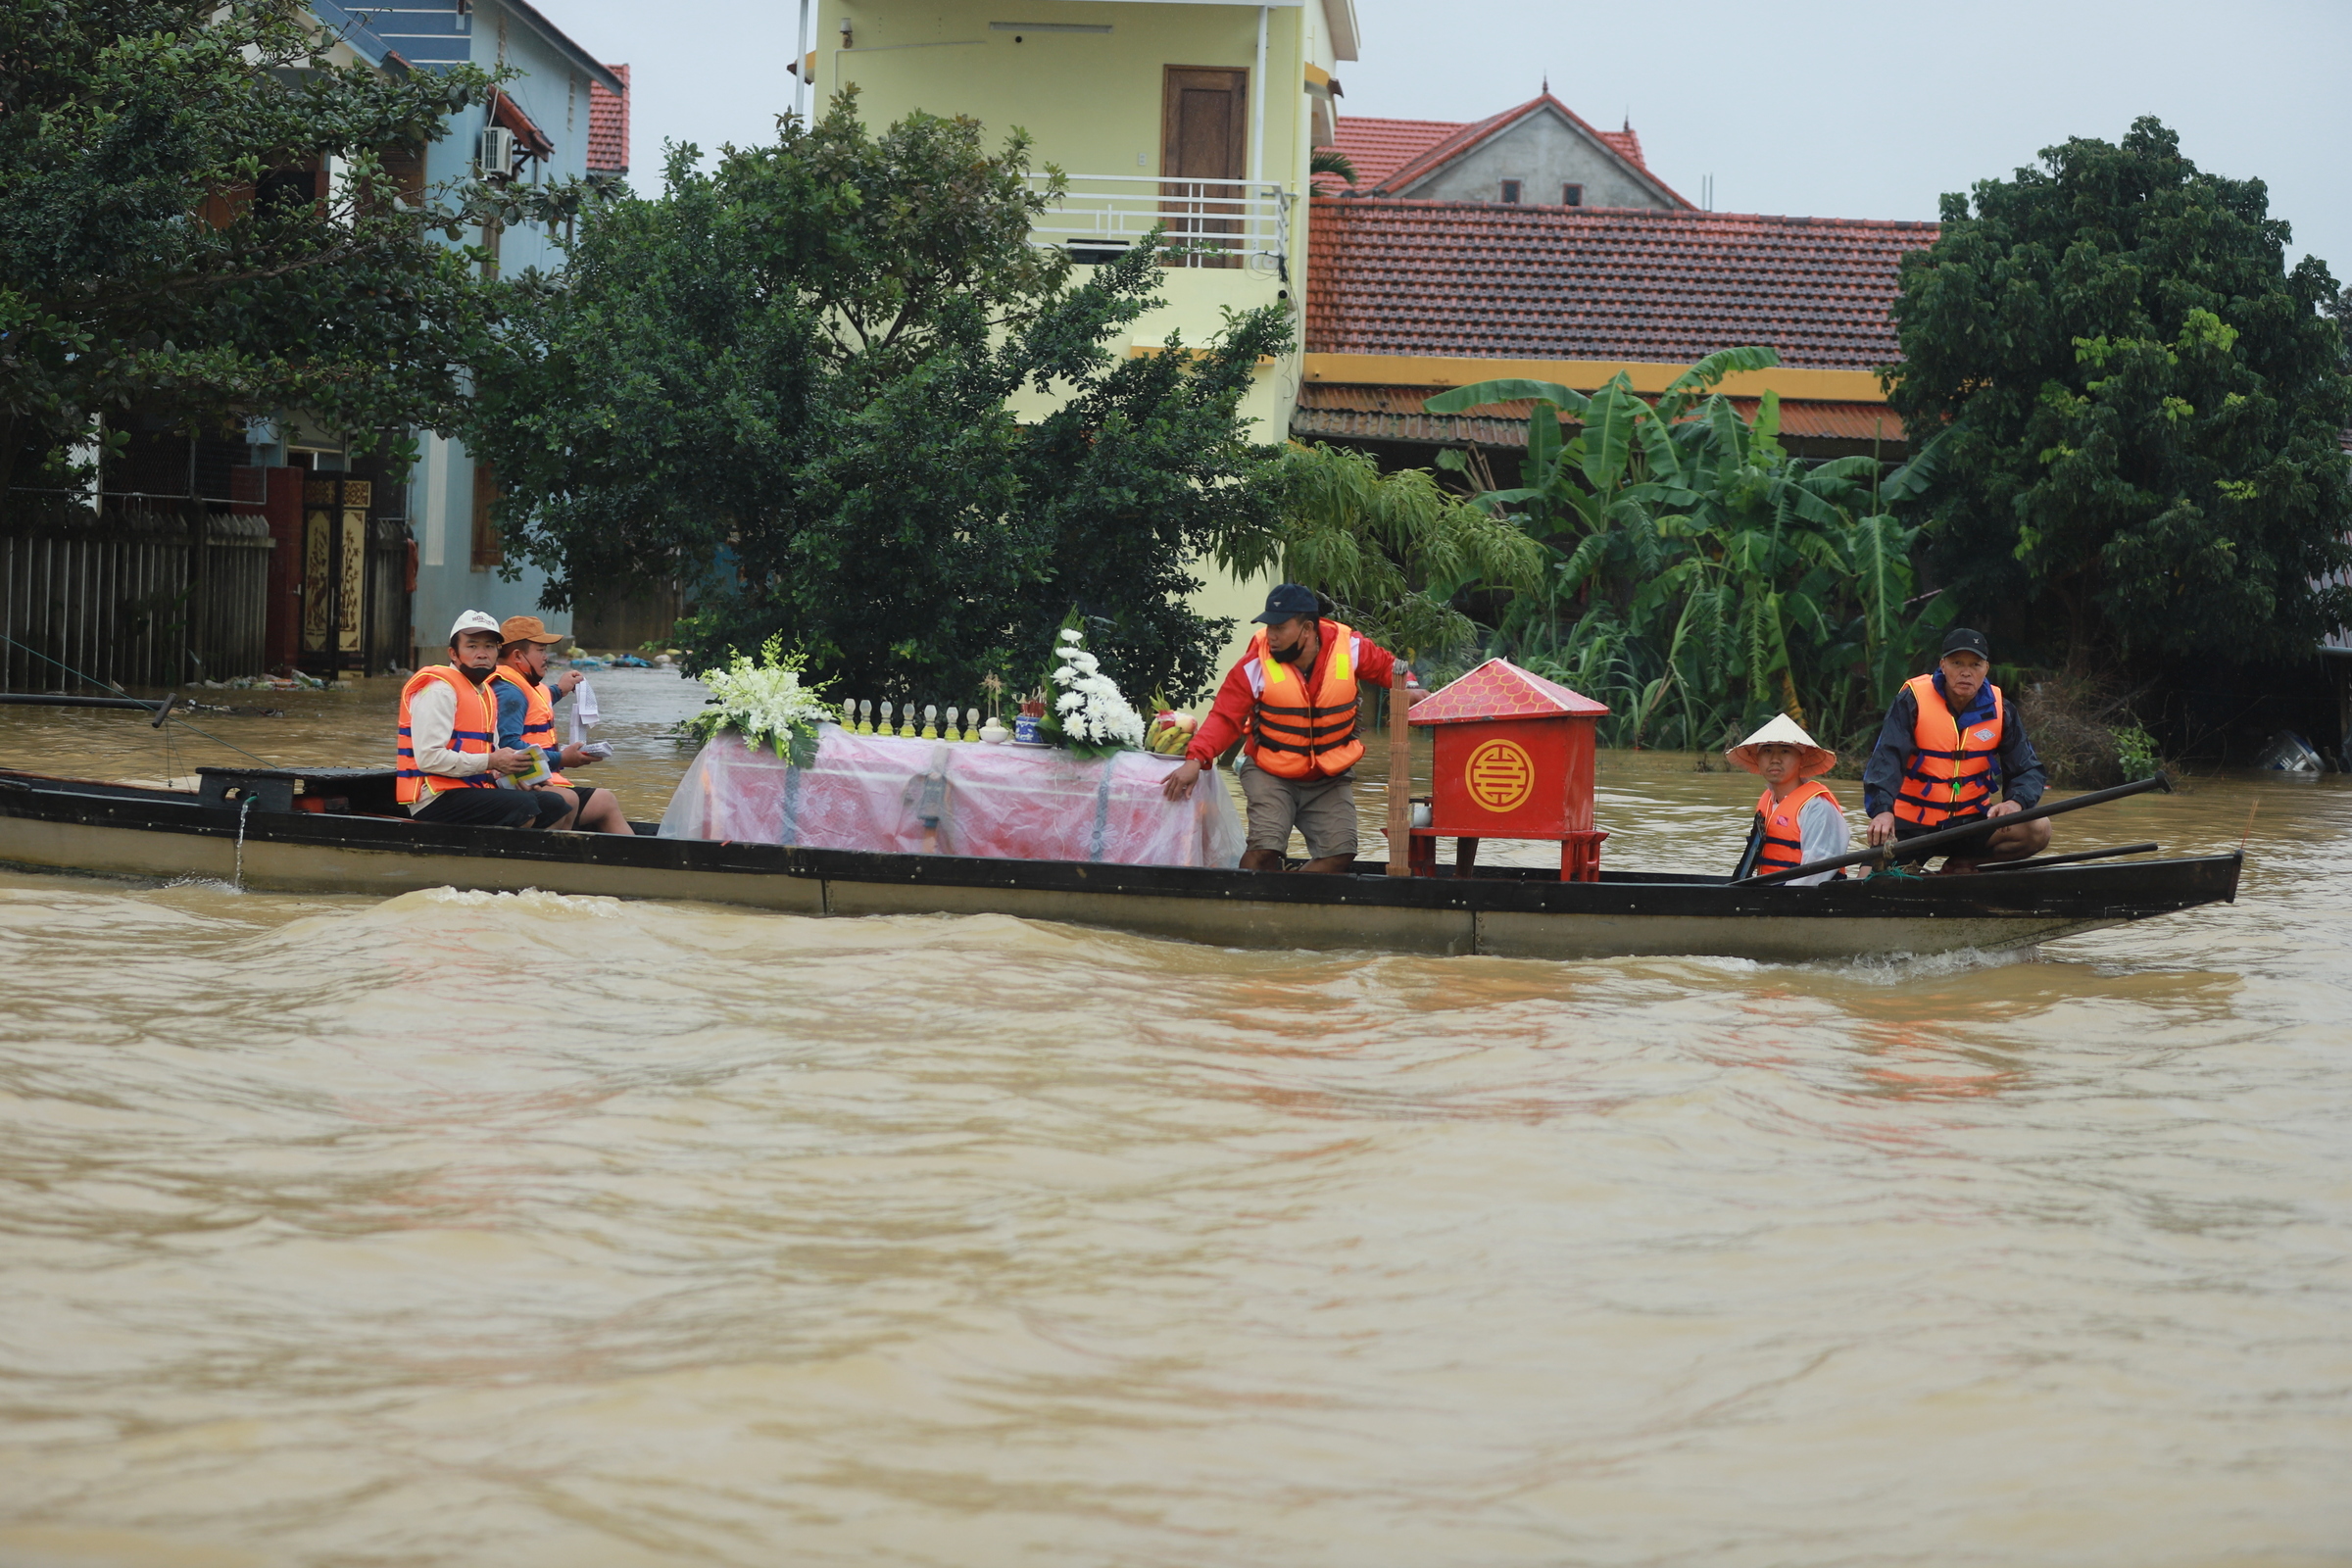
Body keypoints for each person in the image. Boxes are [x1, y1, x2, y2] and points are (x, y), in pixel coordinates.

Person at [1160, 583, 1421, 873]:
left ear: (1307, 628)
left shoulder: (1350, 647)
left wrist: (1409, 686)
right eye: (1268, 626)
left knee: (1341, 855)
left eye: (1280, 627)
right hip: (1270, 772)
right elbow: (1224, 717)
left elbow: (1389, 667)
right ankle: (1246, 904)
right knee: (1264, 849)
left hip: (1329, 776)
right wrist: (1195, 760)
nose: (1271, 635)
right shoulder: (1254, 663)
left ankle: (1285, 900)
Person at [1863, 626, 2050, 870]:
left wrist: (2015, 802)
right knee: (1867, 878)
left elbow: (2028, 769)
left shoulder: (2001, 709)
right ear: (1943, 665)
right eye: (1957, 663)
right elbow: (1887, 758)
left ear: (1986, 669)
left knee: (2039, 828)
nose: (1966, 672)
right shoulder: (1912, 700)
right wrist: (1882, 811)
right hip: (1910, 825)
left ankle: (1963, 864)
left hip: (1970, 824)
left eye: (1975, 665)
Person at [395, 612, 572, 828]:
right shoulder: (439, 691)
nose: (482, 654)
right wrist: (492, 762)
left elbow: (492, 755)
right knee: (523, 807)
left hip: (474, 789)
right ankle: (506, 859)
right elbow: (430, 759)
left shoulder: (485, 692)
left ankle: (531, 859)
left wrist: (518, 777)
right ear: (453, 653)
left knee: (555, 803)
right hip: (435, 798)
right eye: (472, 646)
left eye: (489, 646)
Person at [490, 614, 634, 835]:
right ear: (518, 655)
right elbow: (509, 746)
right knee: (572, 801)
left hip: (538, 776)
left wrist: (562, 689)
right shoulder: (510, 692)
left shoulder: (522, 684)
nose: (546, 657)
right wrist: (563, 758)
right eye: (541, 650)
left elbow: (539, 700)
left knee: (605, 800)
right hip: (524, 782)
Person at [1727, 714, 1849, 884]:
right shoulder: (1767, 801)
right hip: (1771, 893)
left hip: (1802, 900)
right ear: (1757, 758)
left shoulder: (1816, 807)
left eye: (1785, 750)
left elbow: (1817, 870)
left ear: (1802, 759)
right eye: (1767, 750)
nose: (1775, 759)